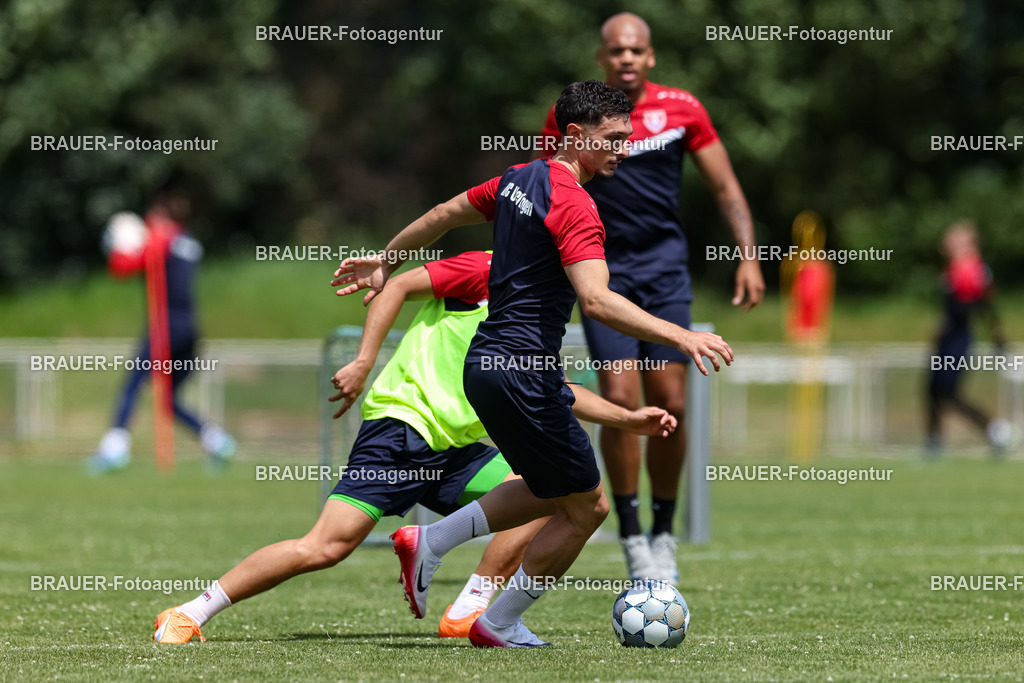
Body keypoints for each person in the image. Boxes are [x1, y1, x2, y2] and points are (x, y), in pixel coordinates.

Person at [334, 80, 732, 648]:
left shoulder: (519, 178)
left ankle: (432, 543)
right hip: (522, 370)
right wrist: (681, 336)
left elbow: (446, 213)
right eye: (614, 139)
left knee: (550, 488)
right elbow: (596, 301)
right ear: (575, 135)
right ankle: (498, 622)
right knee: (589, 507)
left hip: (489, 367)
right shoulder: (578, 206)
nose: (624, 149)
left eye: (629, 138)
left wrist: (386, 257)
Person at [153, 251, 678, 644]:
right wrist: (363, 360)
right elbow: (397, 285)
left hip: (460, 449)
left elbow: (557, 389)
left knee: (560, 494)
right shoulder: (492, 267)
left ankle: (470, 608)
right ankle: (191, 612)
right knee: (326, 547)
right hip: (403, 428)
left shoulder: (542, 307)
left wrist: (629, 418)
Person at [532, 12, 764, 583]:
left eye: (636, 50)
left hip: (663, 275)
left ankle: (664, 530)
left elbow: (725, 186)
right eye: (616, 50)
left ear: (651, 56)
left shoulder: (683, 109)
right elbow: (548, 185)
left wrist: (748, 254)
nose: (627, 58)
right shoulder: (575, 117)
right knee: (618, 394)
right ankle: (632, 533)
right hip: (602, 273)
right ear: (601, 58)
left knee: (673, 402)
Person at [87, 193, 234, 473]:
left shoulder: (161, 240)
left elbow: (121, 267)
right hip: (190, 330)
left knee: (132, 384)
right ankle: (217, 441)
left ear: (161, 217)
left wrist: (117, 246)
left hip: (165, 327)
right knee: (167, 399)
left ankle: (114, 450)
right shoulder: (189, 241)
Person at [925, 220, 1012, 455]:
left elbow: (984, 307)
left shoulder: (973, 269)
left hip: (959, 338)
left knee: (948, 392)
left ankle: (995, 431)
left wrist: (998, 338)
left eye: (954, 237)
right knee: (933, 389)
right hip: (947, 338)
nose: (947, 240)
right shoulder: (952, 268)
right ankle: (933, 442)